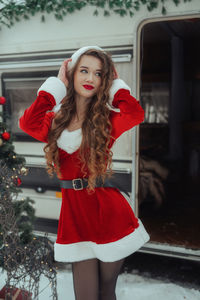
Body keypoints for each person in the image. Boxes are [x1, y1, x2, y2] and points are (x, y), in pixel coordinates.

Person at [19, 46, 150, 300]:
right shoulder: (54, 121)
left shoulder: (107, 120)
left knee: (105, 292)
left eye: (99, 74)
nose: (91, 78)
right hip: (75, 216)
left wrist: (116, 86)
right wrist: (56, 86)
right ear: (72, 74)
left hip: (109, 213)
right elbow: (27, 123)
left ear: (104, 81)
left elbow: (135, 113)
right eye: (84, 71)